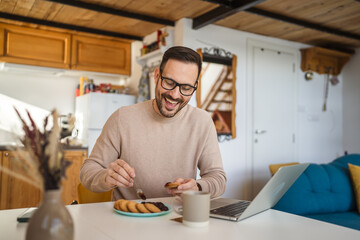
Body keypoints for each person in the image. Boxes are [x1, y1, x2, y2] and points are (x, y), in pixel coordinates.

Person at [80, 46, 226, 200]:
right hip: (129, 219)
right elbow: (87, 171)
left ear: (194, 87)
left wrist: (198, 187)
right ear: (157, 76)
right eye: (169, 82)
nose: (175, 95)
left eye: (186, 88)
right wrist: (106, 177)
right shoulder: (121, 118)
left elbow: (218, 178)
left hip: (178, 218)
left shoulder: (202, 122)